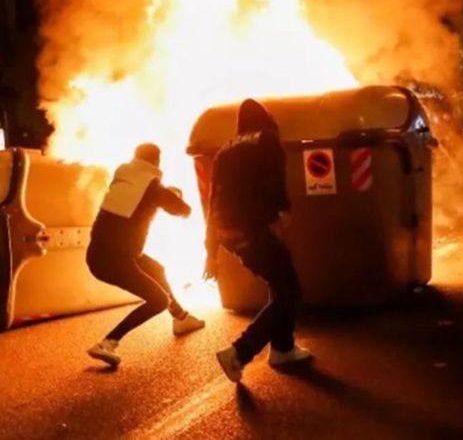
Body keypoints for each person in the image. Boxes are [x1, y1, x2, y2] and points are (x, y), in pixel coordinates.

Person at [207, 99, 312, 383]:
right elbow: (273, 180)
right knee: (289, 290)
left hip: (227, 231)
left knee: (280, 283)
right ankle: (239, 352)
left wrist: (211, 250)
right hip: (253, 226)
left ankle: (282, 348)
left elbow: (212, 199)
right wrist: (281, 213)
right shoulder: (267, 139)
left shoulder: (224, 150)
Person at [86, 143, 205, 368]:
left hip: (103, 254)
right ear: (157, 162)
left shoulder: (124, 177)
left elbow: (143, 196)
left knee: (157, 269)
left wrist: (163, 193)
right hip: (114, 260)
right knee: (158, 300)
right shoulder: (152, 188)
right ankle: (108, 342)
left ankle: (181, 318)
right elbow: (183, 210)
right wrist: (173, 195)